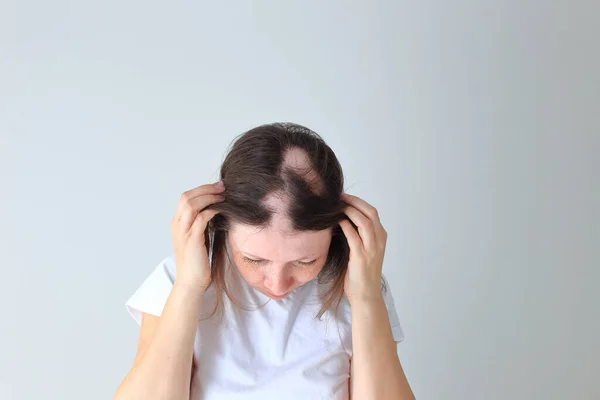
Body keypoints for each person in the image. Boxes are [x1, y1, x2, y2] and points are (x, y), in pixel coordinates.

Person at [113, 122, 415, 400]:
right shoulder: (178, 277)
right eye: (254, 260)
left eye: (305, 261)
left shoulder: (359, 283)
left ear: (337, 234)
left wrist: (366, 298)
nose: (278, 283)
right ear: (224, 226)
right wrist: (189, 287)